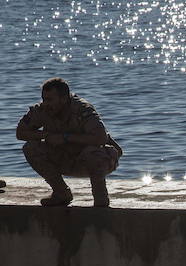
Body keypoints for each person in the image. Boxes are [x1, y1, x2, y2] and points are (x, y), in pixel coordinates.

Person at [16, 78, 122, 207]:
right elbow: (20, 133)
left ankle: (101, 201)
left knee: (93, 153)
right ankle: (61, 193)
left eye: (50, 100)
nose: (46, 103)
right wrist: (46, 135)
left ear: (64, 99)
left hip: (95, 160)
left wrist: (66, 137)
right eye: (44, 99)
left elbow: (100, 137)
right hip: (66, 158)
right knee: (30, 148)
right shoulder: (42, 110)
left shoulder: (82, 109)